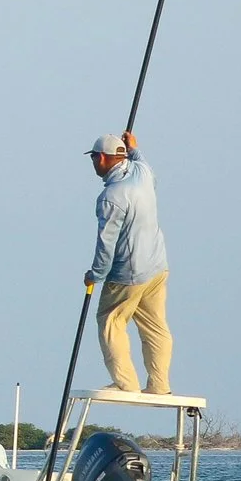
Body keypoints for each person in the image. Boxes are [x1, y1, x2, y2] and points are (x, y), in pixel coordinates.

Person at [85, 130, 172, 396]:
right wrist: (133, 148)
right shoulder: (142, 174)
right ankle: (159, 385)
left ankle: (126, 383)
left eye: (94, 158)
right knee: (155, 324)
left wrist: (95, 275)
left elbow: (106, 244)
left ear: (102, 158)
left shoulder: (111, 197)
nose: (93, 164)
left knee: (110, 320)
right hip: (157, 265)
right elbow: (142, 162)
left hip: (129, 273)